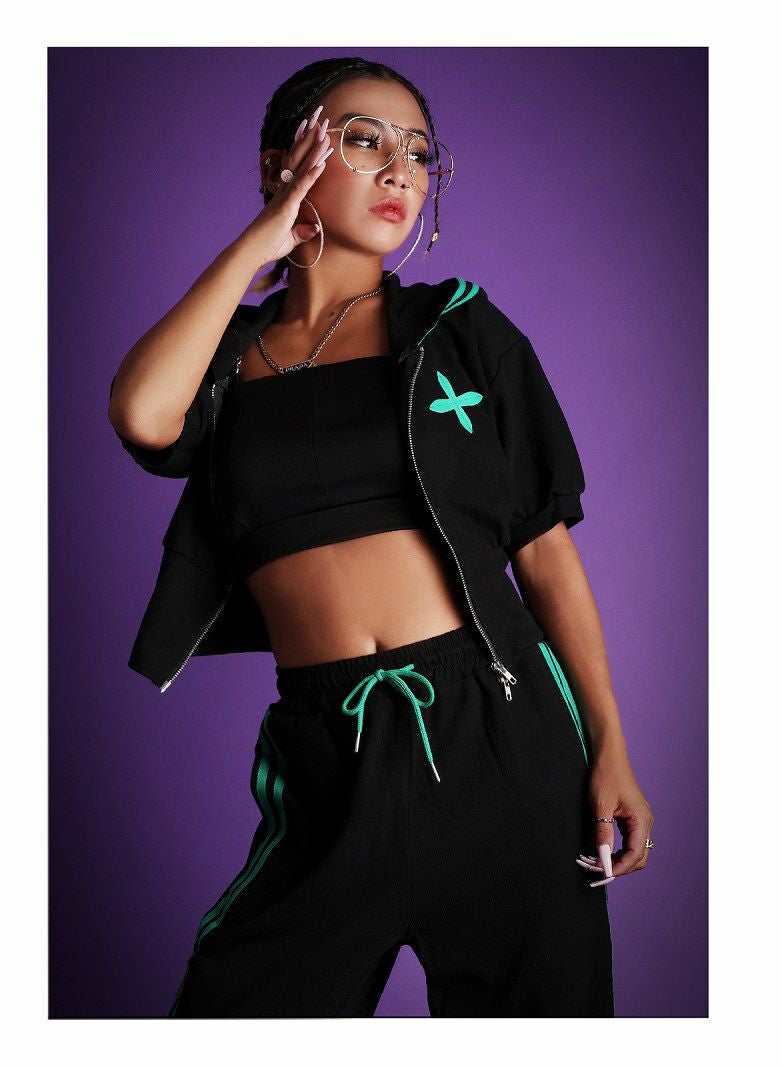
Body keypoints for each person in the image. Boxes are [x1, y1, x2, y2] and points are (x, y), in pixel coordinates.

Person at [108, 56, 654, 1019]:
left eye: (420, 153)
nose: (403, 171)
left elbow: (544, 555)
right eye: (364, 140)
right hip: (329, 748)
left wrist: (609, 742)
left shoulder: (462, 331)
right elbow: (143, 415)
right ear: (282, 161)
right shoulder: (226, 360)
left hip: (499, 733)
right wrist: (260, 240)